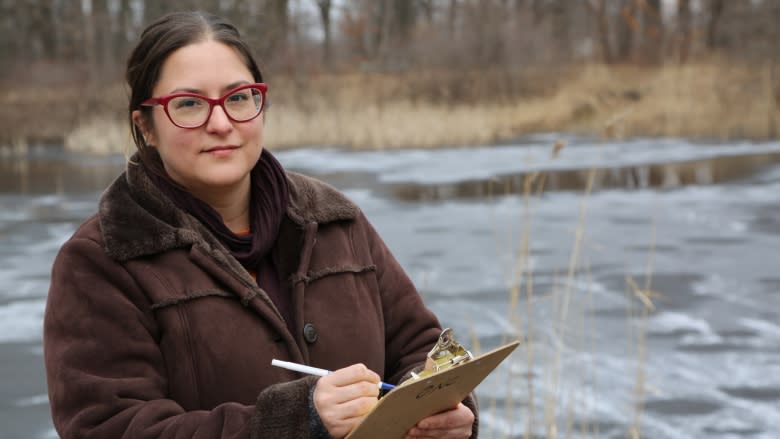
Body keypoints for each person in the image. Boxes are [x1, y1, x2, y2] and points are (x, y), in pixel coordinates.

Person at [43, 10, 477, 439]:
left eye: (238, 97)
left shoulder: (332, 219)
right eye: (189, 104)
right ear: (147, 126)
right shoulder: (103, 259)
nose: (221, 122)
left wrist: (445, 411)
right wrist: (294, 420)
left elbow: (420, 344)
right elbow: (109, 427)